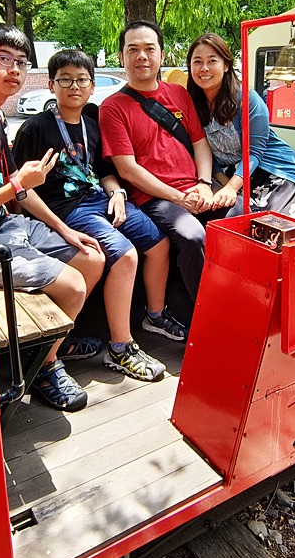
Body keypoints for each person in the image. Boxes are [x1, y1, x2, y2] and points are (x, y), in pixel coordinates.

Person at [13, 50, 186, 381]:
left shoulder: (92, 126)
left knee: (158, 242)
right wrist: (58, 228)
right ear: (51, 85)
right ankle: (121, 348)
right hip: (67, 210)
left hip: (101, 200)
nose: (73, 86)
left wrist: (117, 193)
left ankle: (155, 314)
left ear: (92, 87)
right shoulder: (36, 128)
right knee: (125, 256)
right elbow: (21, 188)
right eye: (65, 79)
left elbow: (106, 171)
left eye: (81, 80)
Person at [0, 23, 106, 412]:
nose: (14, 70)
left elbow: (21, 190)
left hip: (12, 226)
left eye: (21, 62)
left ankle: (55, 343)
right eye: (3, 60)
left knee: (92, 256)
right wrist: (15, 188)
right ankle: (46, 367)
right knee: (75, 287)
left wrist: (65, 230)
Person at [99, 21, 225, 309]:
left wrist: (204, 184)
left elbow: (199, 143)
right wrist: (179, 197)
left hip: (196, 187)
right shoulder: (113, 107)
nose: (141, 56)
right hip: (154, 197)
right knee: (192, 235)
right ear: (122, 58)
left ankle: (238, 301)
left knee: (243, 214)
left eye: (149, 49)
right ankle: (205, 313)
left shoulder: (179, 94)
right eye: (133, 49)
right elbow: (127, 169)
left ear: (162, 56)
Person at [186, 32, 295, 220]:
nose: (204, 68)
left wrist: (233, 188)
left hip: (273, 170)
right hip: (233, 175)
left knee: (273, 224)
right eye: (197, 61)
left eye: (212, 61)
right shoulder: (191, 103)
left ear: (226, 66)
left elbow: (255, 151)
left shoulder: (248, 99)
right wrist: (227, 187)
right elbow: (204, 150)